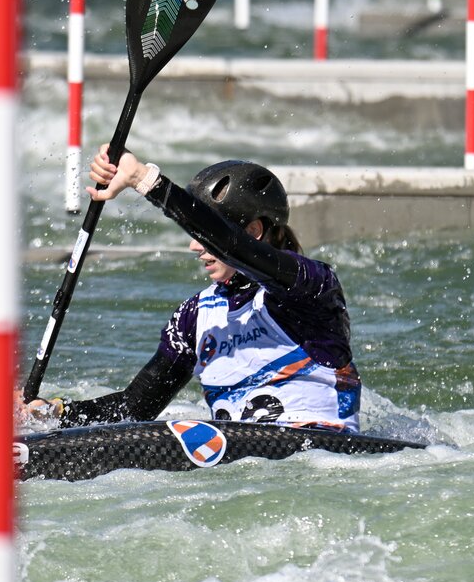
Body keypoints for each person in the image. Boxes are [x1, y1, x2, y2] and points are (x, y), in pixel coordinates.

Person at [24, 145, 361, 433]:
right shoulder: (194, 317)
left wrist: (144, 179)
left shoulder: (310, 287)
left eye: (203, 236)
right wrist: (55, 414)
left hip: (321, 458)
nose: (193, 247)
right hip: (244, 479)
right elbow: (134, 409)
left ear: (254, 231)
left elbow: (233, 246)